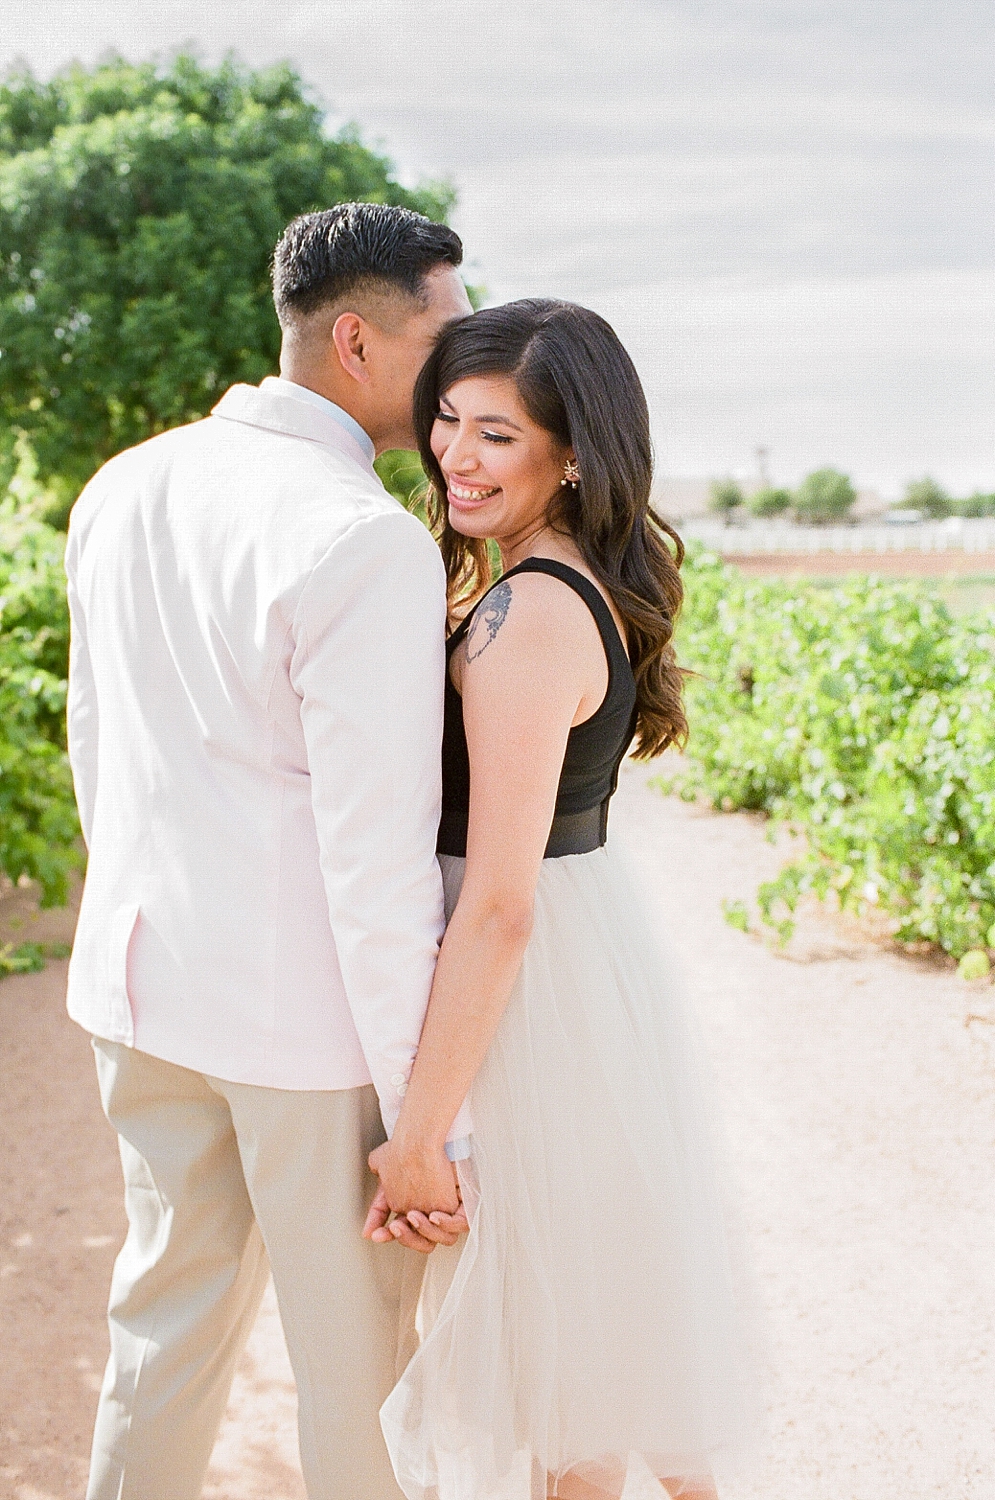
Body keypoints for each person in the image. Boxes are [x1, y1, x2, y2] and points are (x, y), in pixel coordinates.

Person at [64, 201, 474, 1500]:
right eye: (443, 334)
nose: (464, 364)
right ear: (357, 338)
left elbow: (97, 753)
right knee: (359, 1386)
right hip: (302, 1036)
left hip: (139, 993)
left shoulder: (122, 483)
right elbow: (377, 867)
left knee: (161, 1334)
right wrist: (426, 1123)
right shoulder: (360, 539)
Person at [363, 301, 750, 1500]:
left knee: (560, 1362)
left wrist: (418, 1137)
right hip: (578, 957)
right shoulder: (559, 579)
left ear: (570, 452)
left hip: (529, 995)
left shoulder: (526, 610)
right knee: (584, 1351)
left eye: (495, 434)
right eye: (445, 422)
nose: (454, 456)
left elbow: (499, 903)